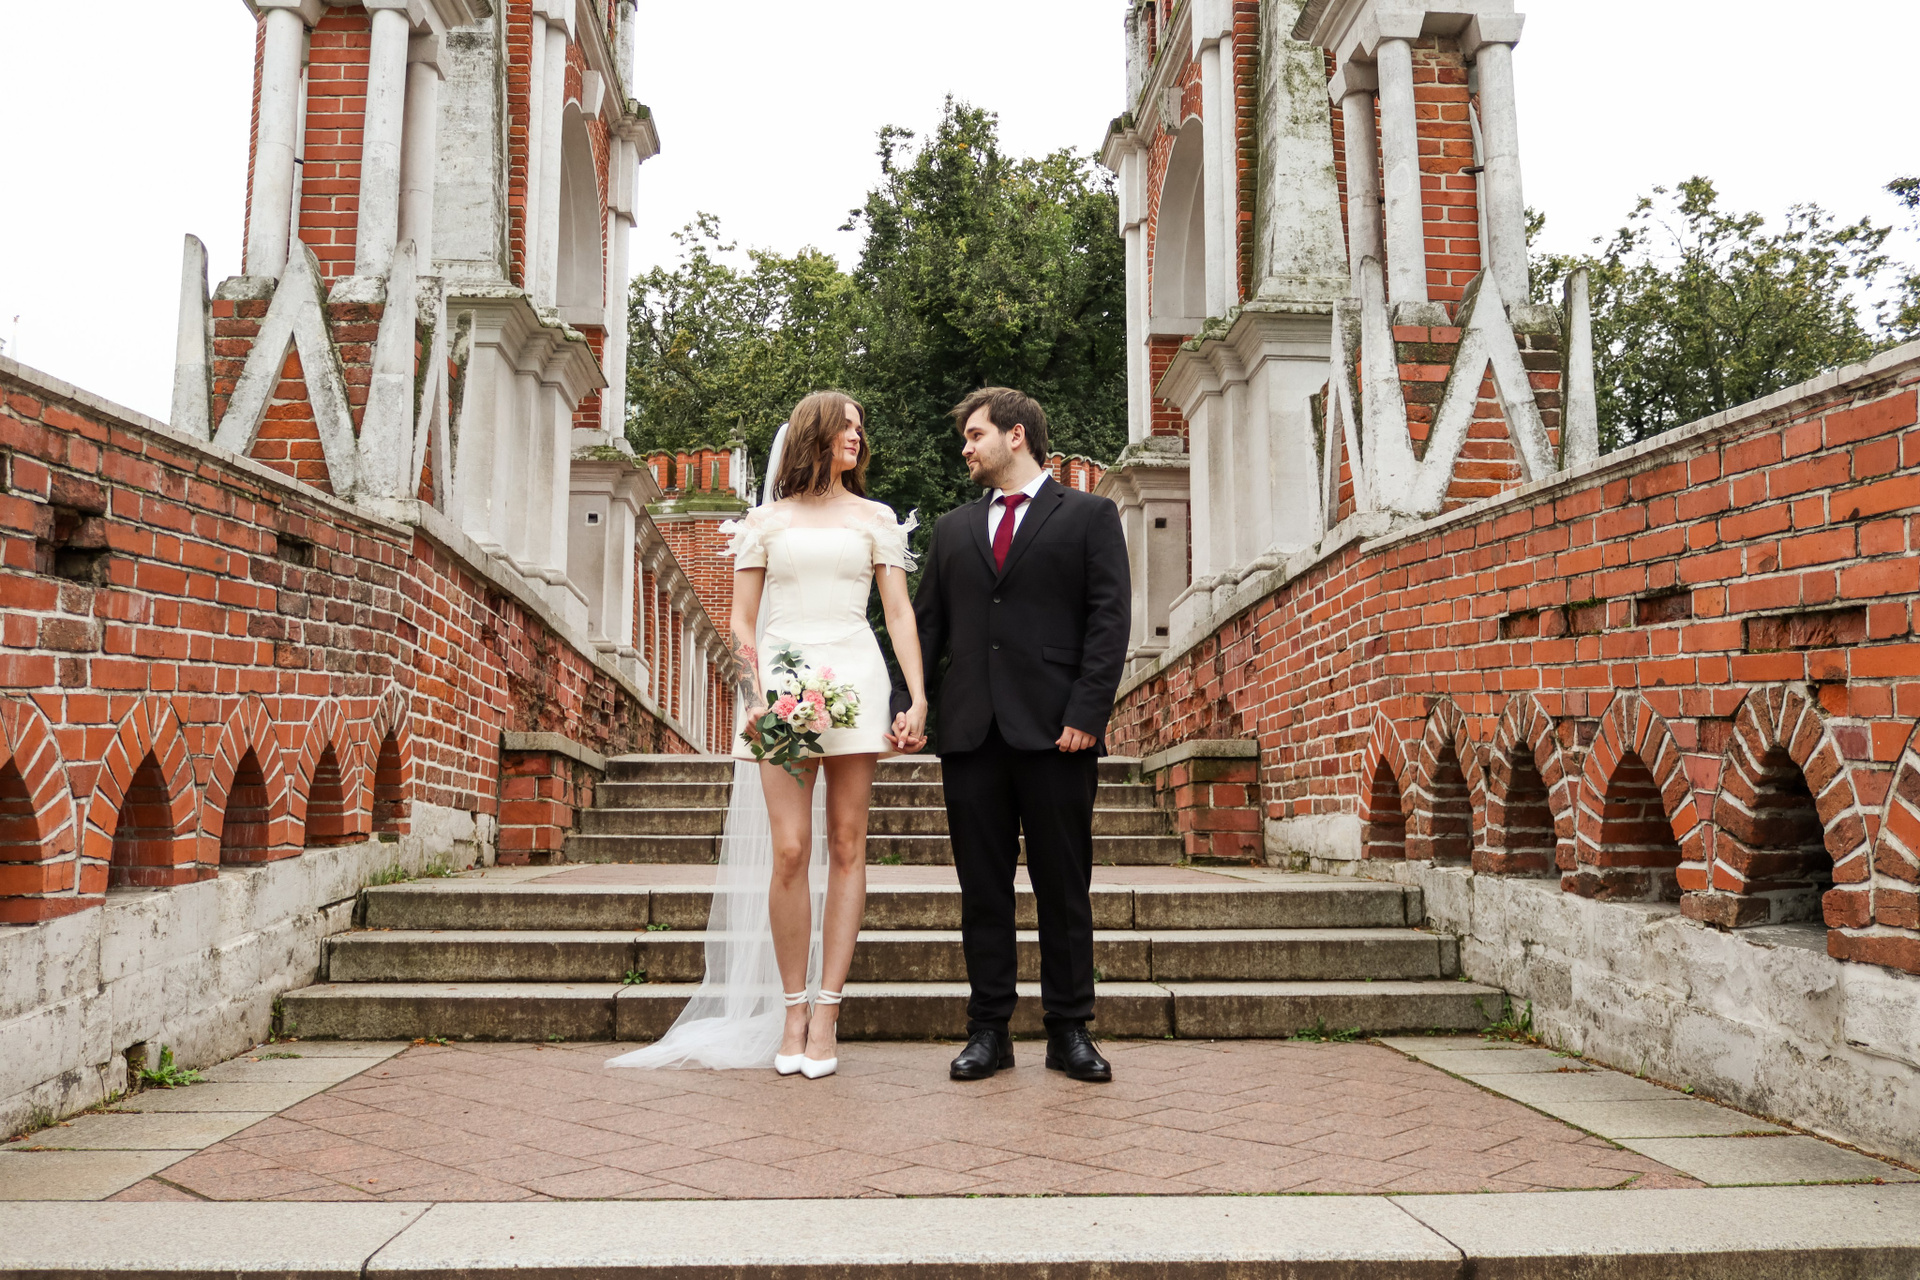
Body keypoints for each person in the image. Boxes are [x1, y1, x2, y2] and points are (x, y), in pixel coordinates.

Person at [606, 391, 927, 1079]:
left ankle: (828, 1011)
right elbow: (743, 621)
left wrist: (918, 695)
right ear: (815, 433)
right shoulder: (764, 523)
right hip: (781, 684)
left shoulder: (876, 518)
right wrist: (752, 695)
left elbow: (897, 613)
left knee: (848, 844)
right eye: (846, 426)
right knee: (789, 850)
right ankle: (791, 1010)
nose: (857, 436)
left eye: (860, 428)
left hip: (856, 677)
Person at [899, 387, 1130, 1083]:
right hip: (972, 733)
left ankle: (1070, 1030)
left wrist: (1087, 713)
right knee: (982, 890)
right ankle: (988, 1030)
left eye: (975, 435)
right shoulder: (952, 530)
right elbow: (926, 628)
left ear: (1016, 435)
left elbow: (1109, 619)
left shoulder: (1089, 515)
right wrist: (908, 704)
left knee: (1064, 887)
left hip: (1059, 732)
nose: (966, 448)